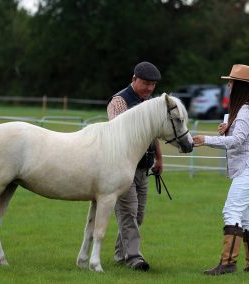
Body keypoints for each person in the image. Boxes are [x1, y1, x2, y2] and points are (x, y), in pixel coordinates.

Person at [193, 64, 249, 275]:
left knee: (231, 211)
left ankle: (227, 263)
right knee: (247, 217)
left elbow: (236, 141)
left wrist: (205, 139)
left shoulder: (246, 109)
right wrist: (220, 134)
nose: (228, 85)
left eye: (231, 81)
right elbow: (236, 139)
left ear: (240, 85)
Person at [107, 61, 163, 272]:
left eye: (153, 85)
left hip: (143, 169)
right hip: (122, 169)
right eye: (146, 83)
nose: (149, 88)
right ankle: (134, 258)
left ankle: (121, 255)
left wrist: (159, 159)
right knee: (128, 213)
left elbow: (153, 133)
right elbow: (119, 134)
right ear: (134, 79)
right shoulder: (119, 101)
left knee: (138, 215)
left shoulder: (148, 102)